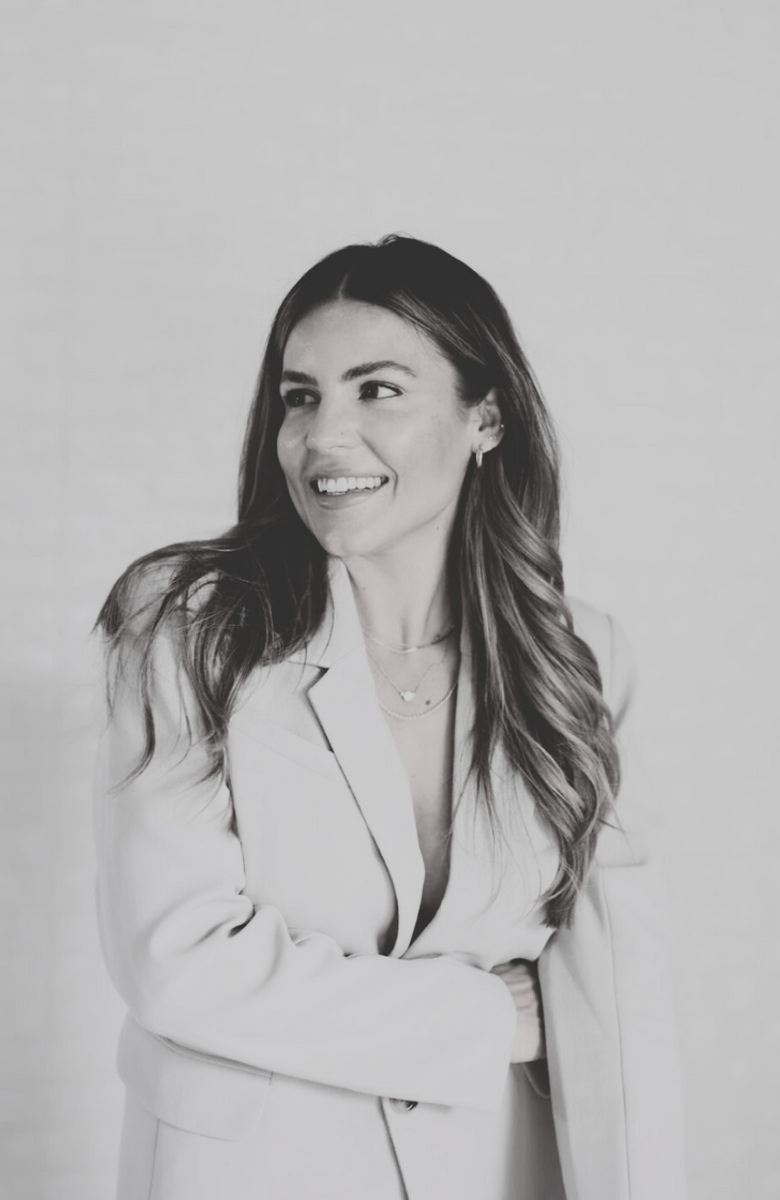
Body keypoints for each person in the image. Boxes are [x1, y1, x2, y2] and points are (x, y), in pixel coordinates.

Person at [93, 235, 687, 1200]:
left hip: (494, 1169)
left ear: (485, 417)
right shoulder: (194, 628)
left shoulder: (582, 657)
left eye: (377, 390)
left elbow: (619, 1003)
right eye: (300, 397)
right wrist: (483, 1019)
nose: (324, 435)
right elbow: (179, 965)